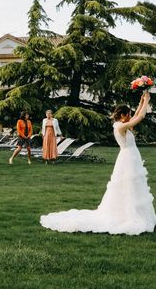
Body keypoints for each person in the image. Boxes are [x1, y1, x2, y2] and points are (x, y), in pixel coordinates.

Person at [40, 90, 156, 235]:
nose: (130, 116)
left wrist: (141, 101)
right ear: (122, 116)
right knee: (129, 184)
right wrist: (147, 100)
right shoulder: (121, 127)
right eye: (128, 114)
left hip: (129, 157)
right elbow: (141, 116)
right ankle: (129, 215)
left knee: (132, 185)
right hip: (128, 159)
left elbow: (137, 115)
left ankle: (134, 213)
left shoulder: (122, 125)